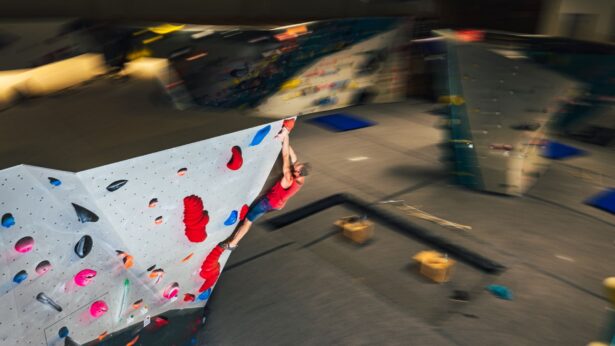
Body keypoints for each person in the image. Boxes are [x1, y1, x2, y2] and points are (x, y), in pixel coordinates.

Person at [220, 126, 309, 250]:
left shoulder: (289, 177)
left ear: (297, 173)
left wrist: (286, 135)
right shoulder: (301, 178)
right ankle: (233, 242)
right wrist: (284, 138)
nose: (296, 165)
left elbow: (285, 156)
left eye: (297, 168)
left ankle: (232, 244)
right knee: (252, 214)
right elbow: (292, 156)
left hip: (269, 203)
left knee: (248, 221)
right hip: (278, 203)